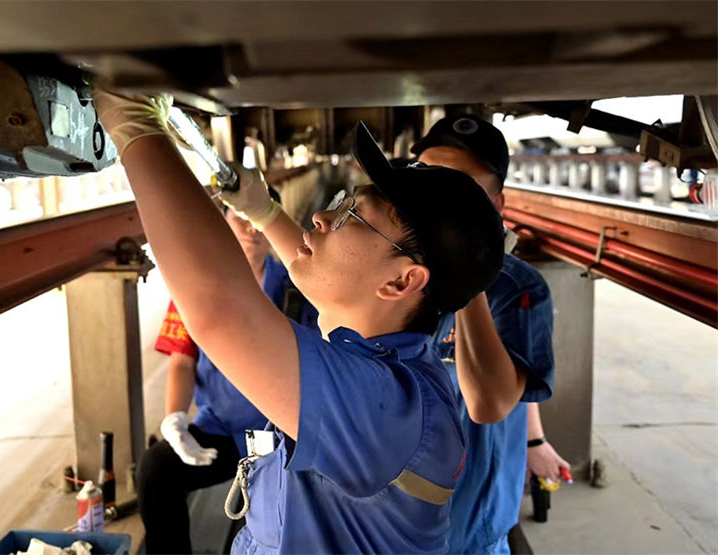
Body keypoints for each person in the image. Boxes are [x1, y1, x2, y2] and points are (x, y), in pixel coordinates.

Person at [92, 87, 504, 554]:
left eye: (352, 215)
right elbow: (324, 284)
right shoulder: (380, 354)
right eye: (344, 199)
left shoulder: (387, 407)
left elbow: (221, 311)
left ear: (401, 281)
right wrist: (266, 213)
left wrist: (137, 129)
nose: (323, 217)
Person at [411, 114, 570, 554]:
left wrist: (468, 272)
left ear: (495, 204)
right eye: (425, 177)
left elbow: (497, 397)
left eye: (460, 186)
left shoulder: (515, 288)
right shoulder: (392, 271)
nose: (438, 197)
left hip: (468, 526)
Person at [136, 191, 317, 553]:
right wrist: (174, 419)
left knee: (264, 525)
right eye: (239, 217)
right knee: (156, 470)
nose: (250, 228)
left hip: (283, 435)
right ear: (223, 223)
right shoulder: (196, 284)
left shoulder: (301, 288)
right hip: (221, 428)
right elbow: (182, 359)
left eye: (258, 218)